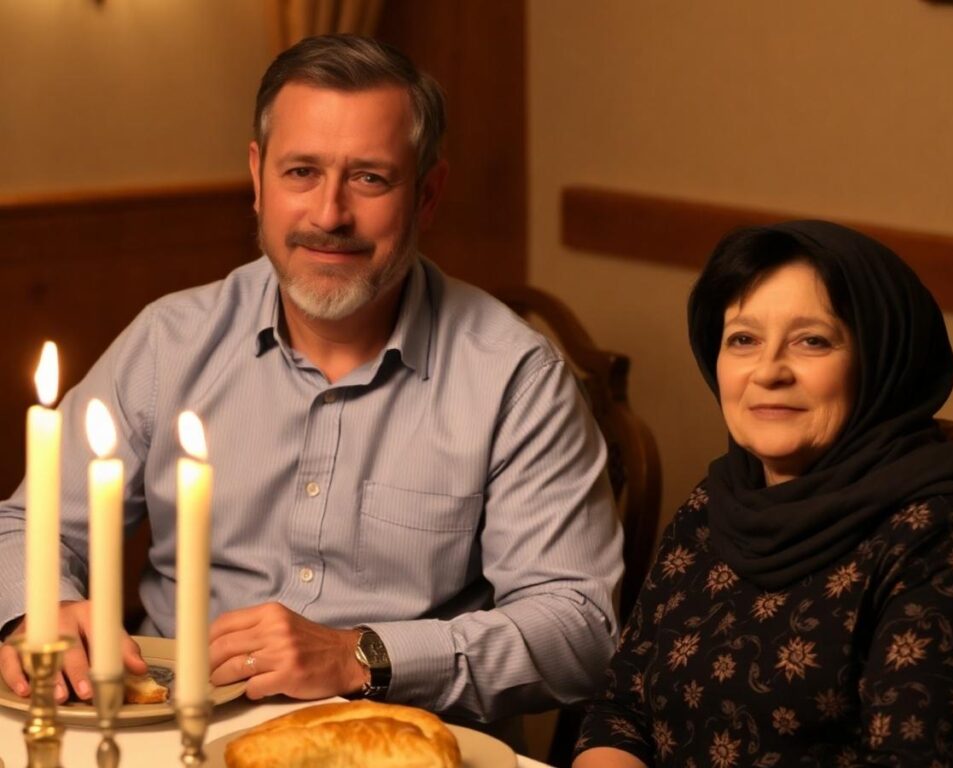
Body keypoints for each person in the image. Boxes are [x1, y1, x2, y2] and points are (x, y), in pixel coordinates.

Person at [0, 34, 623, 726]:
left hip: (396, 742)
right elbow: (26, 525)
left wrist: (365, 656)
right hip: (174, 735)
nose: (330, 216)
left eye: (369, 178)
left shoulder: (516, 378)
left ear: (428, 195)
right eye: (302, 172)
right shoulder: (170, 342)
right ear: (257, 178)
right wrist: (39, 607)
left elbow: (581, 630)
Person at [573, 221, 953, 767]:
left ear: (881, 360)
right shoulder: (716, 501)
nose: (768, 371)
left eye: (812, 341)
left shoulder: (948, 533)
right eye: (743, 339)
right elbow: (623, 707)